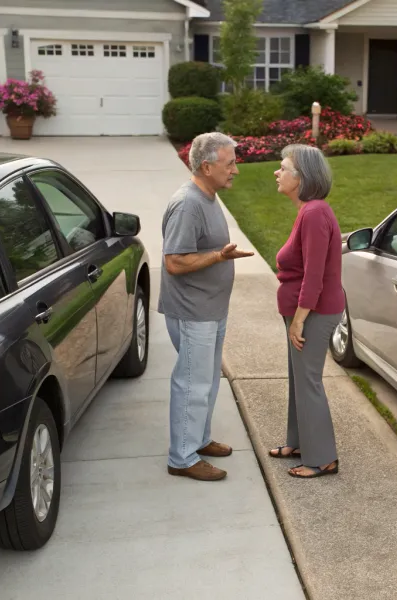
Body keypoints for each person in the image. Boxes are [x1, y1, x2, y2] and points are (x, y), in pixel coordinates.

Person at [159, 132, 254, 482]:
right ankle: (181, 458)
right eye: (230, 164)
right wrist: (218, 256)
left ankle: (196, 440)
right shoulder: (188, 204)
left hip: (211, 310)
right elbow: (174, 262)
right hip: (192, 312)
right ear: (207, 165)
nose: (236, 170)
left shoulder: (208, 197)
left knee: (207, 381)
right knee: (191, 383)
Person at [268, 144, 345, 479]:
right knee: (300, 379)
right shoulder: (309, 211)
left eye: (283, 168)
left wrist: (299, 320)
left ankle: (322, 458)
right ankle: (299, 443)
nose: (277, 172)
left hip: (313, 313)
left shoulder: (314, 214)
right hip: (305, 311)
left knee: (309, 381)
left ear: (301, 178)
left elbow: (314, 275)